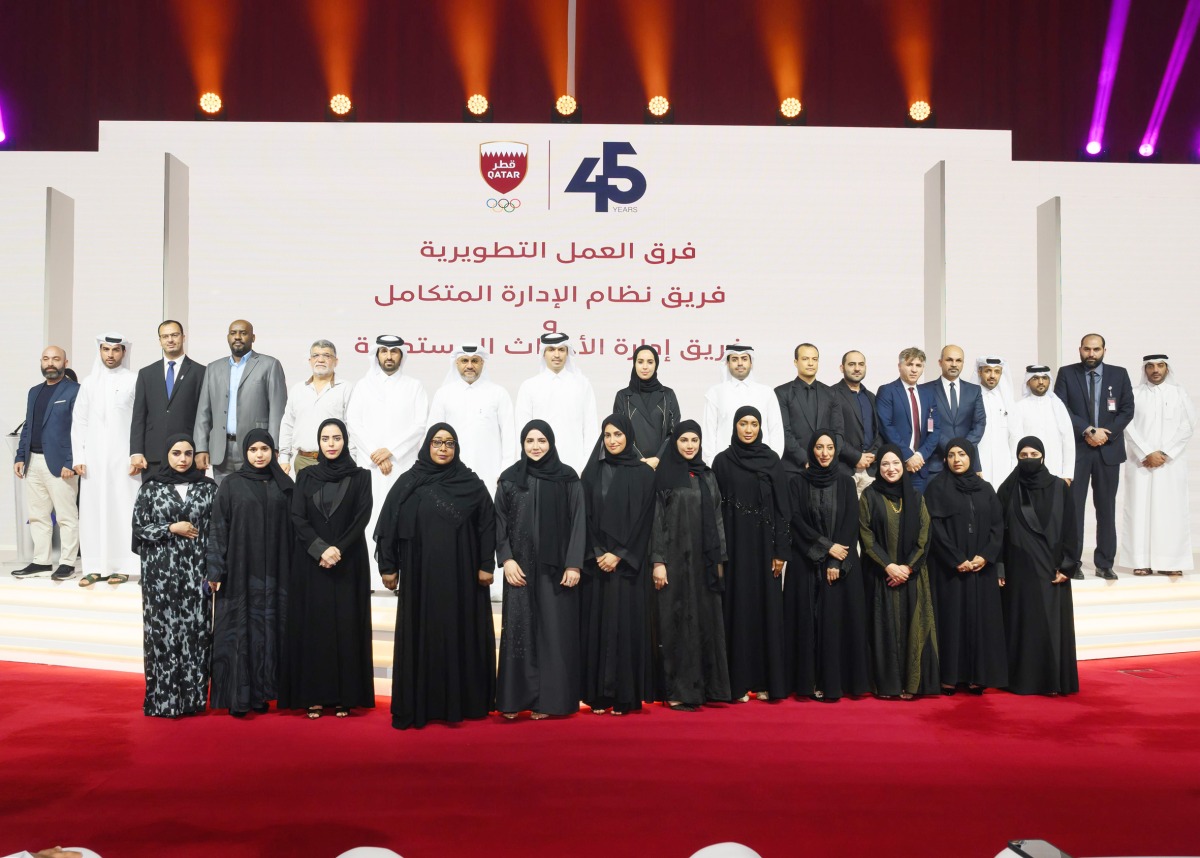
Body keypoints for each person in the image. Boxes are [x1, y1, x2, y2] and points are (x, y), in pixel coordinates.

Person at [375, 423, 497, 729]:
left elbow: (487, 524)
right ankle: (422, 704)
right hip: (420, 578)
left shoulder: (471, 484)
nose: (443, 448)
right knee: (422, 634)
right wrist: (388, 566)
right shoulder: (409, 481)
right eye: (438, 442)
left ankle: (463, 703)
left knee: (459, 632)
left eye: (449, 443)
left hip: (462, 578)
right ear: (427, 445)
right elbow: (388, 523)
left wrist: (486, 564)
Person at [281, 419, 374, 719]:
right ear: (319, 443)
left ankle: (346, 696)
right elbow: (298, 516)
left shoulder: (361, 476)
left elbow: (361, 518)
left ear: (345, 441)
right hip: (312, 562)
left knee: (347, 626)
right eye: (325, 438)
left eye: (336, 438)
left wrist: (337, 550)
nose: (331, 444)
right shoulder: (306, 475)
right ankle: (314, 696)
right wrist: (321, 549)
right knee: (315, 627)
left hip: (348, 561)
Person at [494, 420, 585, 719]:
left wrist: (574, 564)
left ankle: (549, 702)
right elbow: (499, 523)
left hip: (556, 571)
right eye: (530, 441)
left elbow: (578, 521)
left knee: (553, 634)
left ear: (551, 443)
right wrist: (506, 559)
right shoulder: (509, 479)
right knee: (518, 632)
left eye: (542, 440)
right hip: (519, 569)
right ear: (522, 444)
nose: (536, 446)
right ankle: (514, 699)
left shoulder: (567, 477)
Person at [206, 429, 294, 716]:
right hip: (241, 570)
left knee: (271, 629)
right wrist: (215, 569)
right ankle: (240, 696)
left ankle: (265, 693)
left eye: (264, 449)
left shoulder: (284, 485)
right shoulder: (231, 484)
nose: (259, 455)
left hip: (277, 573)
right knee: (241, 629)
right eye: (253, 449)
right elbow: (218, 527)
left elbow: (296, 529)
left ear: (273, 452)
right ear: (245, 452)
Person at [131, 434, 218, 717]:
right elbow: (139, 529)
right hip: (160, 576)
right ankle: (163, 701)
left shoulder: (207, 488)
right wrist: (170, 528)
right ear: (166, 455)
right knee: (162, 634)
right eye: (176, 453)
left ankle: (193, 701)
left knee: (196, 634)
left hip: (196, 573)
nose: (182, 459)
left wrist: (215, 569)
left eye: (188, 453)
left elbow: (218, 530)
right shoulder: (151, 488)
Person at [648, 420, 731, 710]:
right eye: (684, 440)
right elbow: (655, 520)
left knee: (707, 622)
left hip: (703, 562)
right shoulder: (664, 475)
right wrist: (658, 561)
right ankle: (678, 690)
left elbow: (717, 518)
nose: (690, 445)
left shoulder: (707, 475)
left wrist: (719, 559)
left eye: (694, 440)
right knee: (676, 622)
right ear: (675, 443)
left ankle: (708, 688)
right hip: (673, 561)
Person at [579, 414, 657, 715]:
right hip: (597, 564)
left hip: (627, 567)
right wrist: (599, 552)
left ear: (629, 436)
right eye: (607, 435)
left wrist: (620, 554)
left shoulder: (644, 474)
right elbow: (584, 516)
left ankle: (625, 696)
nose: (612, 440)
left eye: (618, 434)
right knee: (597, 627)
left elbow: (645, 519)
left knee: (625, 628)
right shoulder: (591, 472)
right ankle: (598, 696)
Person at [712, 405, 790, 702]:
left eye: (754, 423)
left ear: (760, 427)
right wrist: (718, 553)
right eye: (743, 423)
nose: (748, 429)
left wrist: (781, 551)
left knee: (767, 610)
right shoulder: (722, 462)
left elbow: (783, 508)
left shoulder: (771, 460)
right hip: (733, 550)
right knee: (737, 610)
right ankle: (738, 682)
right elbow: (715, 510)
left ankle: (766, 681)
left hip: (765, 549)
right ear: (735, 426)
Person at [785, 431, 869, 702]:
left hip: (840, 565)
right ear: (811, 449)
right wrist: (824, 547)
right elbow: (795, 521)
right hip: (806, 560)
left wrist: (834, 559)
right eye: (819, 447)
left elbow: (850, 522)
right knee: (807, 621)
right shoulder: (797, 482)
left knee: (835, 622)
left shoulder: (846, 482)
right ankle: (808, 683)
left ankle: (834, 683)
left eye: (830, 447)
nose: (824, 453)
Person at [922, 438, 1007, 694]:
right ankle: (950, 676)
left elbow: (998, 526)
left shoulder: (985, 488)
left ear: (971, 456)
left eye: (961, 454)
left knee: (980, 622)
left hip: (981, 568)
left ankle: (977, 676)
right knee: (951, 620)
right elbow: (933, 527)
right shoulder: (936, 488)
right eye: (951, 455)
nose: (956, 459)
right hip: (950, 569)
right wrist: (956, 558)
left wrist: (986, 556)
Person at [997, 437, 1081, 695]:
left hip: (1052, 570)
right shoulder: (1008, 488)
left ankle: (1051, 681)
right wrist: (999, 567)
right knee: (1022, 625)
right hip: (1018, 571)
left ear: (1043, 457)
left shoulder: (1059, 487)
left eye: (1034, 454)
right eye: (1023, 455)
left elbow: (1071, 528)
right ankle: (1022, 680)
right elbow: (997, 531)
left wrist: (1068, 566)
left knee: (1050, 624)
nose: (1029, 459)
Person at [858, 444, 938, 699]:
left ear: (903, 466)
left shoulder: (916, 497)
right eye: (885, 464)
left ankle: (911, 684)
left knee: (912, 628)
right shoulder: (869, 496)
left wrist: (907, 567)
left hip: (912, 576)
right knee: (883, 628)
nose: (890, 469)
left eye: (895, 463)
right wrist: (889, 566)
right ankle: (887, 685)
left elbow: (925, 536)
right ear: (878, 467)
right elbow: (866, 536)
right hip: (880, 575)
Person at [345, 335, 428, 576]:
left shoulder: (414, 386)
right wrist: (376, 454)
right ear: (377, 355)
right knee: (369, 516)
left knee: (402, 517)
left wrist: (391, 451)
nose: (389, 356)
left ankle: (401, 576)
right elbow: (353, 423)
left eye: (394, 352)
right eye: (384, 351)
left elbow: (419, 425)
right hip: (370, 466)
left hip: (402, 465)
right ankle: (371, 577)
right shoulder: (363, 386)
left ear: (402, 355)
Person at [1054, 333, 1134, 580]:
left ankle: (1105, 563)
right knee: (1074, 509)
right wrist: (1088, 430)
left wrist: (1105, 435)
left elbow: (1127, 409)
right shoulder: (1067, 373)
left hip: (1108, 451)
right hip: (1078, 451)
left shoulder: (1119, 374)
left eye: (1096, 349)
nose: (1091, 354)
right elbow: (1060, 407)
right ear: (1080, 349)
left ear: (1104, 351)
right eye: (1087, 349)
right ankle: (1072, 562)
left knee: (1106, 508)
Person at [72, 334, 141, 586]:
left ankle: (122, 566)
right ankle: (94, 567)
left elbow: (139, 420)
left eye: (115, 350)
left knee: (122, 509)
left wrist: (136, 454)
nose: (110, 355)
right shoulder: (89, 383)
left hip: (123, 460)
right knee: (92, 512)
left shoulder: (134, 380)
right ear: (99, 351)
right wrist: (79, 456)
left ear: (124, 352)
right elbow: (79, 421)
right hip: (93, 461)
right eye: (105, 349)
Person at [1120, 354, 1196, 576]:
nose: (1155, 370)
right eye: (1151, 366)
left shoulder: (1179, 393)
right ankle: (1140, 561)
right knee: (1139, 509)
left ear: (1167, 368)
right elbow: (1127, 425)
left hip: (1171, 464)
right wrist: (1146, 452)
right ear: (1144, 369)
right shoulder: (1134, 394)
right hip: (1141, 462)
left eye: (1160, 365)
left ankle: (1170, 562)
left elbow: (1188, 425)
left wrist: (1164, 453)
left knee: (1170, 510)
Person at [13, 346, 80, 581]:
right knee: (38, 515)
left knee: (66, 516)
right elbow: (29, 426)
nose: (50, 363)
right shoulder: (34, 392)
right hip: (33, 462)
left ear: (65, 362)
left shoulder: (75, 391)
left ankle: (67, 563)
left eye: (56, 359)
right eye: (46, 359)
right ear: (41, 362)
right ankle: (41, 561)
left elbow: (80, 430)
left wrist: (71, 462)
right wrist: (20, 456)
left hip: (61, 465)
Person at [193, 319, 288, 484]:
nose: (237, 337)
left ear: (253, 337)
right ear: (228, 337)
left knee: (254, 496)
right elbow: (203, 412)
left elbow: (277, 411)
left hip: (256, 449)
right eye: (233, 333)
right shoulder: (213, 368)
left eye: (243, 333)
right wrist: (200, 448)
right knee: (223, 496)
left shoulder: (270, 365)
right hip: (221, 450)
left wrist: (273, 447)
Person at [427, 344, 516, 493]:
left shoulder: (498, 393)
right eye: (464, 361)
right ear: (456, 363)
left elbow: (509, 437)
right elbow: (432, 437)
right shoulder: (443, 394)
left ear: (482, 363)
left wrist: (506, 472)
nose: (469, 366)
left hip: (490, 473)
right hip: (451, 474)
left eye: (474, 361)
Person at [130, 320, 206, 484]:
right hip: (153, 456)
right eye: (165, 336)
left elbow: (205, 416)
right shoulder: (146, 373)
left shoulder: (201, 372)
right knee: (154, 499)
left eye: (174, 335)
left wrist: (201, 450)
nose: (170, 340)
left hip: (188, 455)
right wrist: (136, 451)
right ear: (160, 341)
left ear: (183, 337)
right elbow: (138, 416)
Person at [514, 332, 599, 473]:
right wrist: (525, 467)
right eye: (551, 349)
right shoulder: (529, 386)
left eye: (561, 350)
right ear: (544, 353)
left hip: (576, 466)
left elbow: (590, 429)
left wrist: (587, 466)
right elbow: (522, 431)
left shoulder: (582, 384)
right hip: (538, 467)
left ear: (567, 353)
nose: (557, 355)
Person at [278, 340, 352, 474]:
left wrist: (352, 460)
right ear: (310, 360)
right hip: (303, 461)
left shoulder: (345, 388)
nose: (321, 360)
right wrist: (284, 458)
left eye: (327, 355)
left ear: (336, 361)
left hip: (336, 461)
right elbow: (287, 425)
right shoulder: (298, 389)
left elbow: (352, 427)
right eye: (316, 355)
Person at [703, 344, 786, 458]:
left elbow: (776, 431)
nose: (740, 363)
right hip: (726, 463)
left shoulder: (767, 392)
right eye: (734, 359)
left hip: (761, 462)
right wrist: (713, 464)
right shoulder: (715, 393)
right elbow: (709, 433)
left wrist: (772, 461)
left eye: (744, 359)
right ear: (727, 363)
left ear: (751, 363)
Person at [876, 347, 940, 492]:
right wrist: (908, 456)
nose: (914, 370)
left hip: (920, 467)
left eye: (918, 365)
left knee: (917, 506)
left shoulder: (928, 394)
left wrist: (920, 455)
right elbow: (886, 426)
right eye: (909, 364)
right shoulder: (887, 391)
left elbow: (935, 429)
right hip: (895, 466)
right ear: (899, 366)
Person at [775, 343, 845, 475]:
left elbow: (838, 431)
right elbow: (784, 432)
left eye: (814, 359)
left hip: (826, 467)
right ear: (795, 362)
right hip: (794, 469)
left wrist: (828, 456)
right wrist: (806, 459)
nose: (811, 363)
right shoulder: (782, 392)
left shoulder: (831, 393)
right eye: (805, 359)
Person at [920, 345, 986, 479]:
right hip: (936, 464)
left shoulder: (974, 390)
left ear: (963, 363)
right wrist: (951, 449)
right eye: (949, 360)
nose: (954, 364)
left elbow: (979, 424)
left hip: (967, 463)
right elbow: (927, 425)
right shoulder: (925, 390)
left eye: (958, 360)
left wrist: (962, 450)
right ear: (940, 362)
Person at [611, 344, 681, 470]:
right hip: (632, 465)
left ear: (656, 365)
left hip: (662, 465)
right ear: (634, 364)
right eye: (640, 362)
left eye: (650, 362)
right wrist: (640, 460)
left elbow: (674, 431)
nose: (645, 367)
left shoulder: (668, 395)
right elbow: (620, 432)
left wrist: (658, 458)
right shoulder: (623, 396)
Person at [1010, 365, 1075, 481]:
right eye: (1035, 378)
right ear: (1028, 382)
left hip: (1055, 469)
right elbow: (1015, 442)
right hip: (1027, 471)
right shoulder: (1019, 407)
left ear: (1049, 381)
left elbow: (1068, 440)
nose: (1041, 382)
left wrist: (1067, 473)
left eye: (1045, 378)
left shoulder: (1058, 406)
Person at [831, 350, 880, 495]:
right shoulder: (831, 394)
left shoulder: (871, 396)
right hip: (845, 468)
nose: (857, 368)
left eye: (861, 364)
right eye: (852, 364)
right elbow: (832, 432)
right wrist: (856, 457)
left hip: (871, 469)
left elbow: (878, 431)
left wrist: (874, 454)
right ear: (842, 368)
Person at [974, 355, 1017, 486]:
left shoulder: (1006, 399)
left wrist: (1014, 464)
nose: (992, 376)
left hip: (1004, 464)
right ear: (979, 372)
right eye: (988, 371)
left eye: (997, 372)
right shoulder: (971, 397)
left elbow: (1014, 435)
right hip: (979, 463)